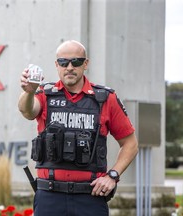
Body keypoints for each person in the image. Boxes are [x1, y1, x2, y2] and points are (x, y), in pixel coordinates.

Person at [18, 40, 138, 216]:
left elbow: (130, 144)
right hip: (49, 197)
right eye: (63, 62)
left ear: (86, 64)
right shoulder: (45, 94)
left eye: (76, 61)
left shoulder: (105, 99)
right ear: (56, 65)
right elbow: (27, 111)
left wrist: (113, 176)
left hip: (90, 197)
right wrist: (28, 91)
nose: (69, 67)